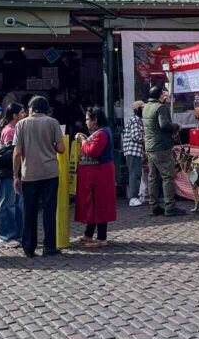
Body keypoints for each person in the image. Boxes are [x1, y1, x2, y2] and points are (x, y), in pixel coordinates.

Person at [13, 95, 65, 258]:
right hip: (50, 172)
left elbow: (17, 152)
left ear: (31, 108)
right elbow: (61, 149)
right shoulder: (53, 122)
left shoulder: (21, 124)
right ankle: (49, 246)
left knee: (29, 211)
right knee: (49, 210)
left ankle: (29, 247)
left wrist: (15, 175)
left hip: (29, 173)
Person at [75, 107, 117, 247]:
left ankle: (101, 238)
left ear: (95, 120)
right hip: (96, 174)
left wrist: (82, 140)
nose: (86, 122)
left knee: (99, 204)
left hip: (100, 174)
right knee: (93, 203)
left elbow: (92, 151)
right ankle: (88, 234)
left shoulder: (102, 134)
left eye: (88, 119)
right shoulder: (100, 132)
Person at [142, 83, 184, 217]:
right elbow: (164, 125)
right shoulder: (160, 107)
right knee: (167, 176)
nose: (164, 95)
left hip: (150, 147)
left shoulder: (146, 107)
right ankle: (170, 207)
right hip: (161, 147)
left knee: (153, 177)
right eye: (163, 93)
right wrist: (177, 126)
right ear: (159, 96)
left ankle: (154, 206)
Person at [0, 102, 25, 249]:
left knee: (17, 203)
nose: (24, 115)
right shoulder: (10, 131)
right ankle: (5, 236)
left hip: (15, 172)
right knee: (7, 203)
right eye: (22, 112)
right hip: (8, 172)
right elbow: (11, 153)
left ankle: (16, 232)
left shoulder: (16, 129)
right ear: (15, 115)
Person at [122, 100, 146, 207]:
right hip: (133, 150)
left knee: (136, 174)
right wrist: (148, 139)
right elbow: (136, 136)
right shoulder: (135, 120)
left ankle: (134, 196)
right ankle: (133, 198)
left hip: (134, 150)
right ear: (138, 109)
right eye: (143, 108)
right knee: (135, 174)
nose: (144, 110)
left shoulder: (137, 119)